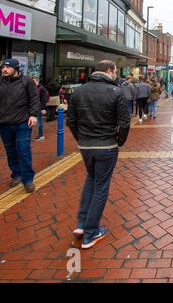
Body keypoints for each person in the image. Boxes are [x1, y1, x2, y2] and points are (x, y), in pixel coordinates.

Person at [67, 60, 130, 250]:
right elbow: (125, 122)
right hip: (107, 146)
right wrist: (119, 141)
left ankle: (81, 224)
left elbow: (71, 120)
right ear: (110, 71)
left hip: (86, 146)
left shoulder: (79, 91)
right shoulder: (116, 92)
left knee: (91, 179)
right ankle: (91, 232)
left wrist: (81, 138)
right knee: (101, 186)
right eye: (115, 72)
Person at [0, 59, 40, 193]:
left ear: (16, 68)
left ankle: (28, 179)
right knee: (10, 151)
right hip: (4, 124)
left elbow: (34, 99)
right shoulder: (0, 81)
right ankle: (16, 174)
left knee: (23, 150)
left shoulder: (26, 81)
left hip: (22, 122)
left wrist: (33, 114)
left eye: (7, 67)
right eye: (3, 67)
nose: (4, 69)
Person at [31, 73, 48, 141]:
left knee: (39, 122)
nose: (33, 83)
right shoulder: (32, 88)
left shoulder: (42, 88)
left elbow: (44, 99)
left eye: (34, 81)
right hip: (33, 107)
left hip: (38, 108)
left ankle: (41, 135)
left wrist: (43, 108)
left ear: (37, 81)